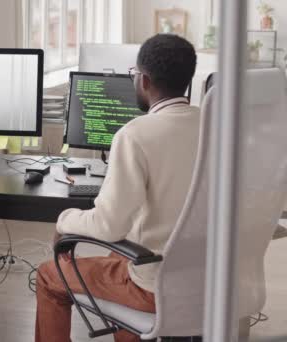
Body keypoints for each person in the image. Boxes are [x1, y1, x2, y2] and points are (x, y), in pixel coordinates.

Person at [35, 34, 199, 342]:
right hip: (211, 281)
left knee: (48, 275)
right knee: (119, 261)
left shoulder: (135, 134)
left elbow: (108, 225)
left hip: (155, 287)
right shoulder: (216, 127)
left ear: (145, 80)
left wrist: (64, 219)